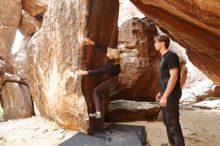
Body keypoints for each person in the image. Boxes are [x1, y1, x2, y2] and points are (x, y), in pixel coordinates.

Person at [76, 38, 121, 119]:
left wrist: (84, 72)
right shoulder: (116, 59)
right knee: (100, 90)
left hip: (112, 81)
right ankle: (100, 105)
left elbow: (99, 71)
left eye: (109, 52)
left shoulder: (110, 66)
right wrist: (92, 43)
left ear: (110, 56)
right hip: (114, 79)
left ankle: (98, 113)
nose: (107, 51)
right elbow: (104, 48)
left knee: (95, 92)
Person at [154, 35, 185, 146]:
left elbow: (174, 77)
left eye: (156, 42)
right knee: (167, 121)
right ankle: (172, 143)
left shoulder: (171, 56)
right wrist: (161, 92)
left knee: (172, 122)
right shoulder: (163, 57)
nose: (154, 44)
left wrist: (165, 96)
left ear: (162, 43)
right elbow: (165, 77)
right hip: (166, 93)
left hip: (171, 94)